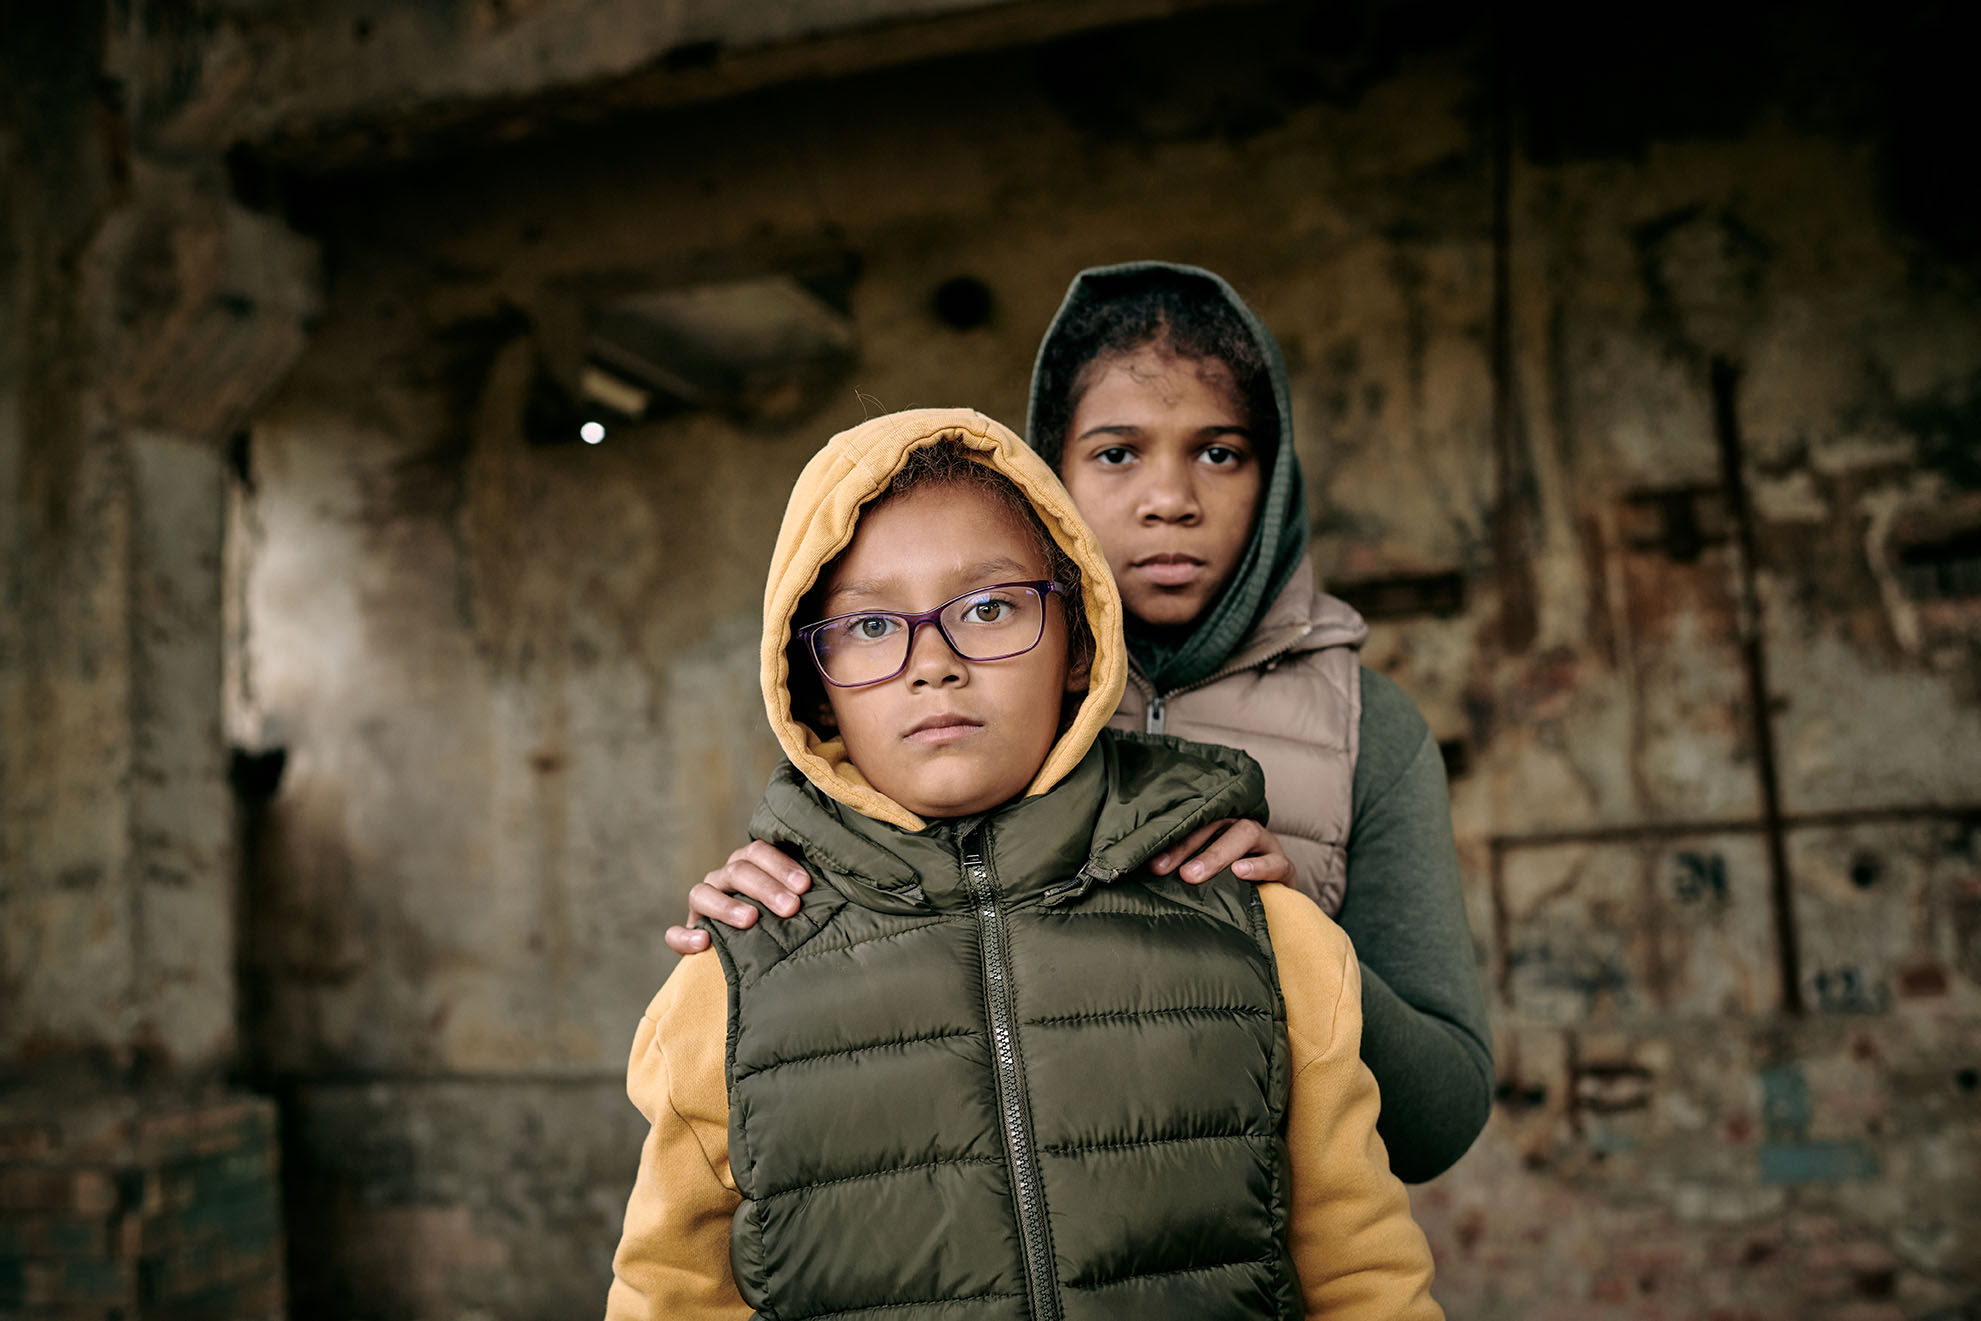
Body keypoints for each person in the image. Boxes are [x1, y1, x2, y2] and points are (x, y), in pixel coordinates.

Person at [607, 407, 1442, 1319]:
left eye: (990, 607)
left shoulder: (1261, 930)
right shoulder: (725, 987)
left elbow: (1366, 1279)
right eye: (874, 626)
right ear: (811, 681)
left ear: (1080, 642)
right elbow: (669, 1295)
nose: (934, 663)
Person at [668, 264, 1493, 1183]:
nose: (1169, 498)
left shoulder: (1363, 728)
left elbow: (1440, 1120)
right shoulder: (951, 706)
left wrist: (1293, 930)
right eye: (1114, 454)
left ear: (1277, 473)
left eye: (1219, 451)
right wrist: (772, 898)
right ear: (1045, 475)